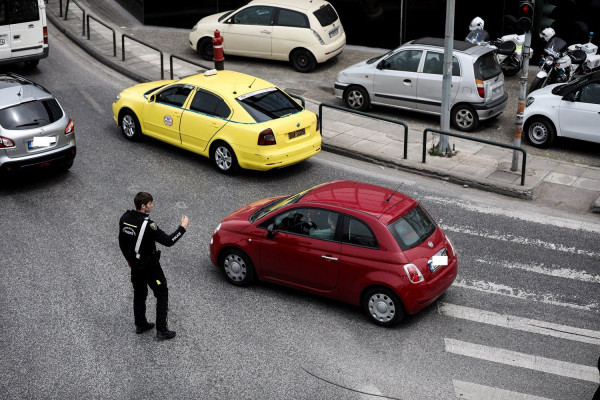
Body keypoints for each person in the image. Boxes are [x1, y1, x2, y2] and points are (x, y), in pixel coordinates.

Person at [118, 192, 190, 340]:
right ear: (143, 206)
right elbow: (168, 241)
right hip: (150, 267)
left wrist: (129, 259)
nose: (152, 205)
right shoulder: (149, 225)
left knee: (139, 293)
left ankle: (140, 324)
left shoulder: (124, 218)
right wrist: (183, 227)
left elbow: (122, 242)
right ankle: (162, 330)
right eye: (150, 203)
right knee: (162, 293)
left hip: (135, 266)